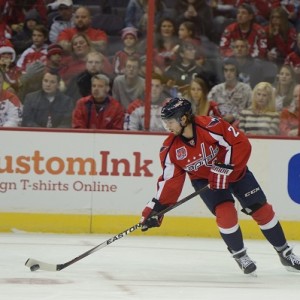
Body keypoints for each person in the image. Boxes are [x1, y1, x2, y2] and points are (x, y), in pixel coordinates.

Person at [140, 97, 300, 275]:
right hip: (206, 182)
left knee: (262, 210)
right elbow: (170, 183)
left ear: (183, 119)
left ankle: (285, 253)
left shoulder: (211, 126)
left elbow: (240, 143)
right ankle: (240, 256)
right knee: (226, 213)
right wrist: (155, 210)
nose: (167, 127)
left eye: (170, 121)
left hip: (235, 172)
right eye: (165, 122)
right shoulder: (170, 150)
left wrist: (224, 169)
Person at [207, 58, 252, 124]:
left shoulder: (246, 89)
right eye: (226, 70)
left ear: (237, 72)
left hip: (240, 125)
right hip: (218, 125)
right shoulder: (216, 90)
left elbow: (251, 109)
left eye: (232, 70)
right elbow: (208, 108)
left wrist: (234, 116)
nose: (228, 73)